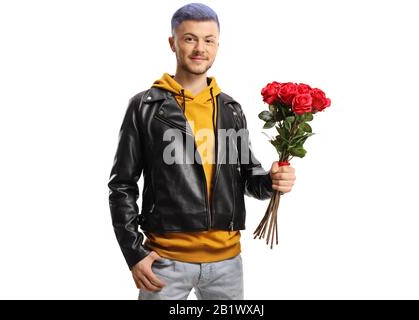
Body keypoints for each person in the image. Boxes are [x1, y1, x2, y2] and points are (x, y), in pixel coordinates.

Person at [107, 2, 296, 300]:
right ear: (173, 43)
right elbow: (122, 186)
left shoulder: (231, 109)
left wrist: (271, 181)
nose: (200, 48)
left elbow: (248, 175)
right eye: (190, 38)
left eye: (208, 40)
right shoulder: (143, 107)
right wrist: (134, 252)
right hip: (164, 262)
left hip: (227, 264)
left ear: (218, 44)